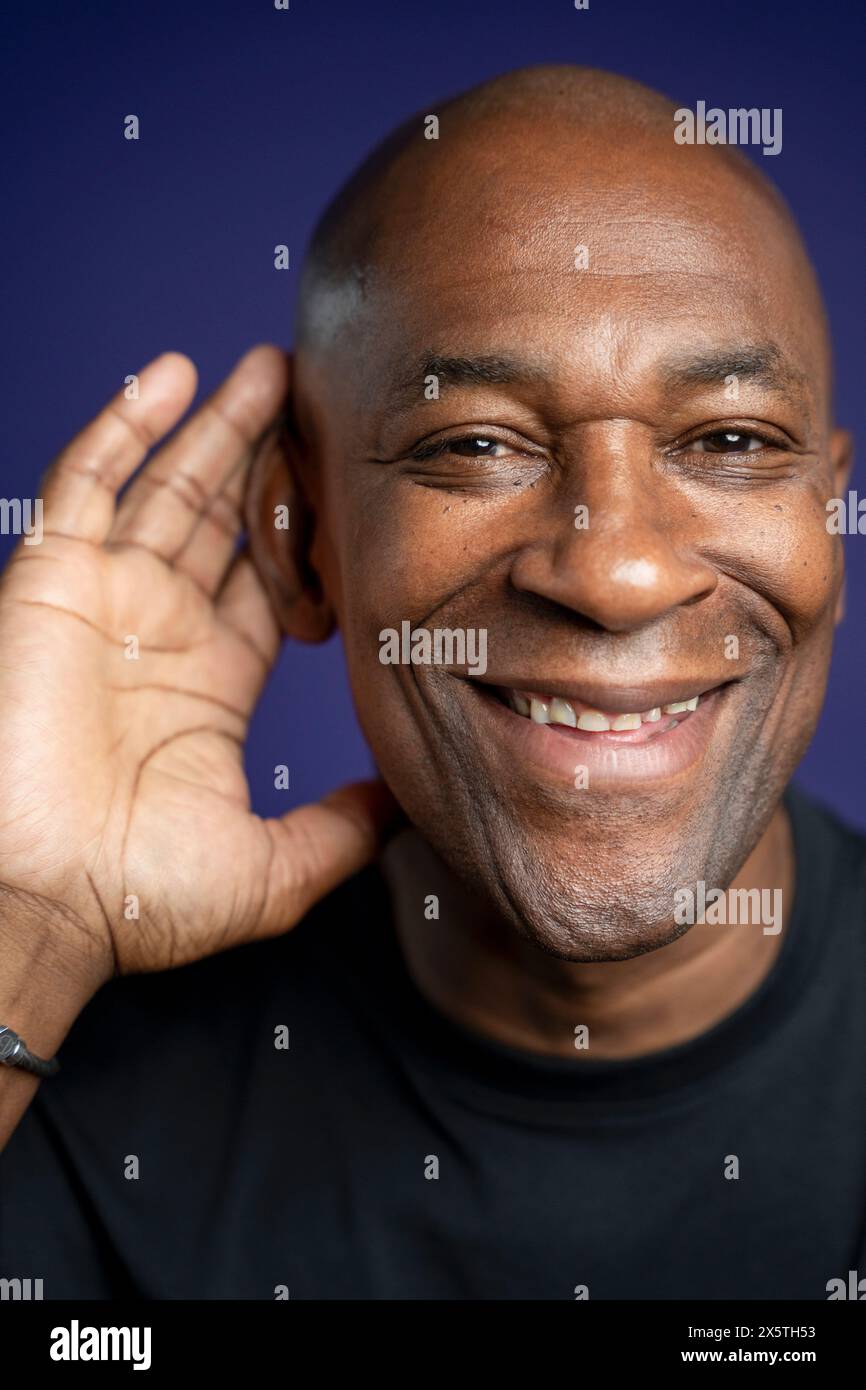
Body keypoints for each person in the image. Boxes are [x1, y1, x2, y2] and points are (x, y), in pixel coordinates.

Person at [0, 65, 863, 1301]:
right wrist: (27, 923)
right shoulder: (72, 1077)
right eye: (474, 445)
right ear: (302, 540)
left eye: (728, 442)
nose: (614, 571)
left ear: (826, 514)